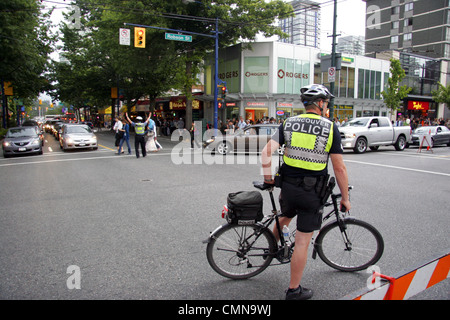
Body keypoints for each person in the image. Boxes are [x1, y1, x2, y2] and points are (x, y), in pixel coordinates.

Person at [261, 84, 350, 300]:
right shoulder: (330, 127)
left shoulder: (288, 123)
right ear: (320, 103)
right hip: (312, 192)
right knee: (302, 241)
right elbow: (339, 167)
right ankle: (293, 290)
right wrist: (345, 197)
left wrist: (268, 179)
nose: (326, 106)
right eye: (326, 103)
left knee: (285, 216)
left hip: (288, 189)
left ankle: (272, 249)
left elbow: (266, 153)